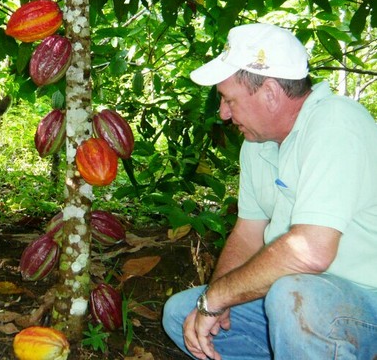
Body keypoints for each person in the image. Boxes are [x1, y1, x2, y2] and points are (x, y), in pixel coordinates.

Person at [162, 23, 377, 359]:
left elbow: (311, 253)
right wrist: (216, 302)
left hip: (367, 301)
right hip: (299, 299)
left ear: (271, 94)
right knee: (181, 314)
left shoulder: (335, 123)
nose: (223, 113)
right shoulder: (257, 146)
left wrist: (217, 298)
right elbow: (248, 235)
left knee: (294, 296)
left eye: (229, 99)